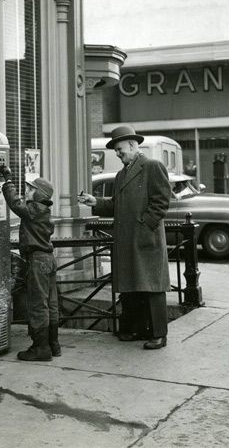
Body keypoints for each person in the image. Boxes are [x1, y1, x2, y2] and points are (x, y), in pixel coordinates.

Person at [78, 125, 171, 350]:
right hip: (128, 240)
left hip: (144, 240)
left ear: (132, 145)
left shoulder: (152, 167)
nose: (118, 154)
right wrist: (95, 202)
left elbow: (161, 201)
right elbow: (115, 205)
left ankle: (159, 334)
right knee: (132, 287)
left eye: (119, 150)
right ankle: (137, 330)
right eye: (116, 151)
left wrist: (144, 226)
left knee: (152, 288)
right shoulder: (121, 174)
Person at [0, 167, 59, 361]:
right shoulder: (44, 211)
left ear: (39, 194)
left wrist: (8, 181)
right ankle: (52, 344)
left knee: (37, 304)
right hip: (49, 260)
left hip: (37, 261)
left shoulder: (34, 210)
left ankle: (40, 348)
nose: (27, 191)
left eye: (31, 189)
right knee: (50, 304)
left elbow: (15, 204)